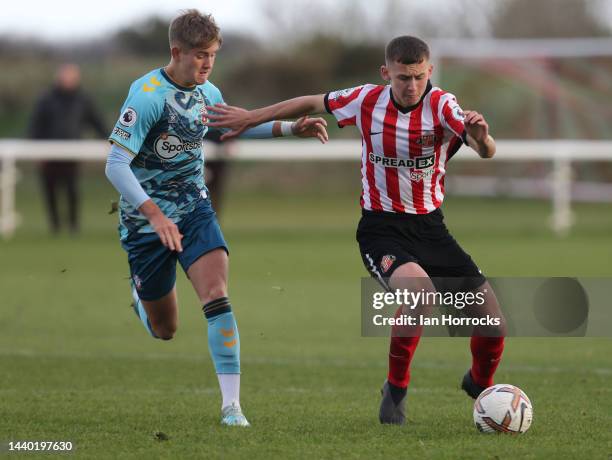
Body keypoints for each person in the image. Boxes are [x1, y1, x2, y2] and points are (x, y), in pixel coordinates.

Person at [205, 36, 507, 425]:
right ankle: (396, 390)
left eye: (417, 77)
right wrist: (251, 117)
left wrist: (481, 137)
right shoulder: (366, 100)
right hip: (381, 229)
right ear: (387, 74)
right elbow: (312, 101)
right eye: (402, 78)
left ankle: (480, 383)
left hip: (433, 229)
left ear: (429, 72)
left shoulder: (442, 105)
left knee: (493, 325)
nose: (410, 86)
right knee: (420, 295)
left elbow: (485, 150)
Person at [104, 10, 328, 427]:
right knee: (165, 329)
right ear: (177, 52)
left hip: (194, 208)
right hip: (146, 223)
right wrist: (153, 214)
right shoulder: (147, 95)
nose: (207, 64)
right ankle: (142, 297)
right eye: (200, 55)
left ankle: (232, 407)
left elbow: (230, 126)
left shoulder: (208, 91)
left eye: (213, 55)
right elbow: (115, 164)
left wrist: (288, 129)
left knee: (217, 295)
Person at [29, 63, 107, 234]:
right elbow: (36, 125)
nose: (68, 80)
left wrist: (110, 140)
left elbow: (96, 122)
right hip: (48, 153)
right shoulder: (46, 99)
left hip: (73, 152)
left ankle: (73, 226)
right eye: (65, 76)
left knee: (72, 188)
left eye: (71, 76)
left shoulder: (83, 99)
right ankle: (55, 226)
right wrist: (35, 149)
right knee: (50, 189)